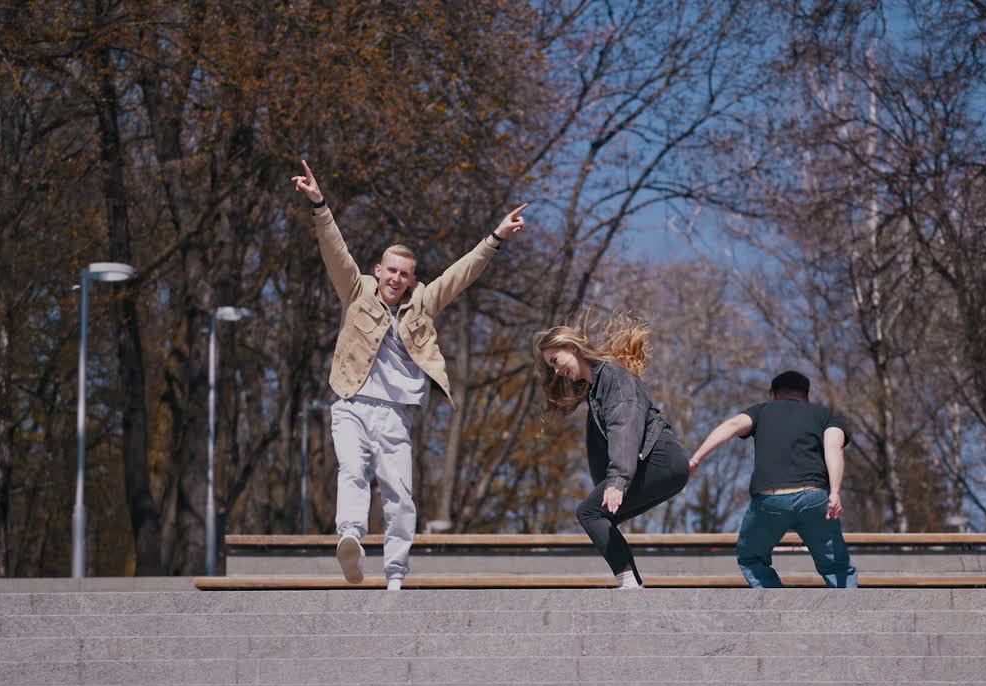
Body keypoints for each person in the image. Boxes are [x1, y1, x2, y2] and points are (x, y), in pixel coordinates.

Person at [292, 159, 527, 590]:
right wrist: (319, 204)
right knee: (352, 470)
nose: (396, 279)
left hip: (396, 413)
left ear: (412, 279)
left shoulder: (424, 302)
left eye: (405, 274)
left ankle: (395, 572)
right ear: (378, 271)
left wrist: (496, 237)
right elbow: (334, 249)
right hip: (351, 402)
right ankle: (350, 537)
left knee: (399, 493)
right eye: (390, 271)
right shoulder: (356, 289)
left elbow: (461, 273)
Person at [533, 315, 689, 589]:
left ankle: (629, 584)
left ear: (571, 348)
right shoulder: (597, 387)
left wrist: (618, 480)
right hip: (660, 464)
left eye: (555, 361)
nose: (556, 371)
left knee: (590, 513)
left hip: (659, 460)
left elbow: (624, 425)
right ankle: (633, 586)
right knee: (599, 515)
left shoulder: (613, 377)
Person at [689, 371, 857, 588]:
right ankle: (849, 614)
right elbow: (833, 448)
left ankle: (774, 604)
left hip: (770, 501)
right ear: (806, 395)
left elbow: (730, 427)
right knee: (836, 565)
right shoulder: (824, 416)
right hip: (814, 499)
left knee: (751, 557)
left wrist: (696, 458)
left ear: (775, 394)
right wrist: (834, 492)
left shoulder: (761, 411)